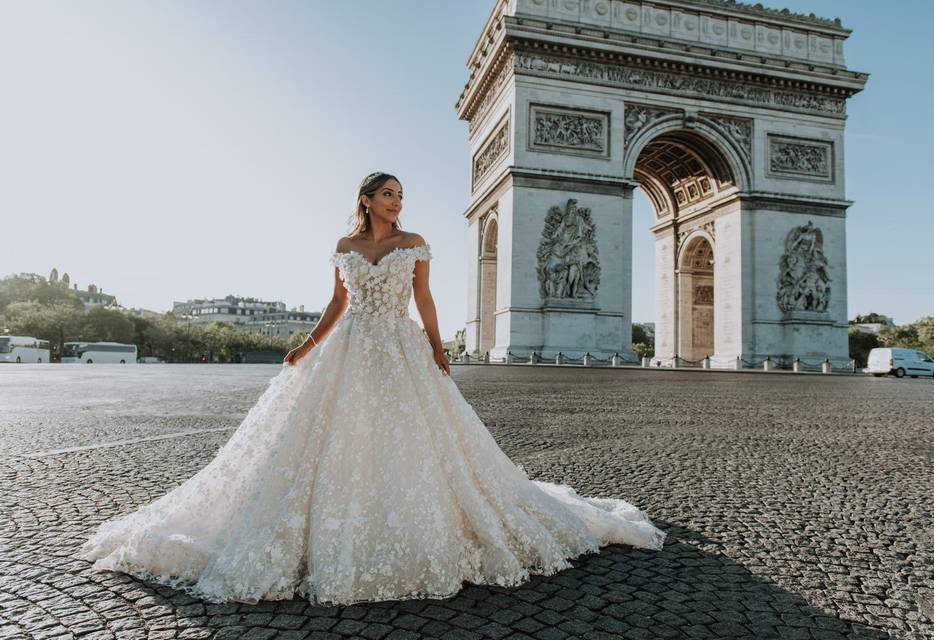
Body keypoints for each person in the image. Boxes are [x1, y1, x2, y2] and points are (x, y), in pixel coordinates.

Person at [78, 171, 665, 607]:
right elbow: (336, 303)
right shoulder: (345, 247)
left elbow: (425, 299)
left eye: (401, 195)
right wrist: (307, 346)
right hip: (350, 345)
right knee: (336, 438)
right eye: (388, 194)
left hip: (399, 345)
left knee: (408, 436)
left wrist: (438, 346)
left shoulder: (413, 243)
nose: (397, 202)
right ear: (366, 199)